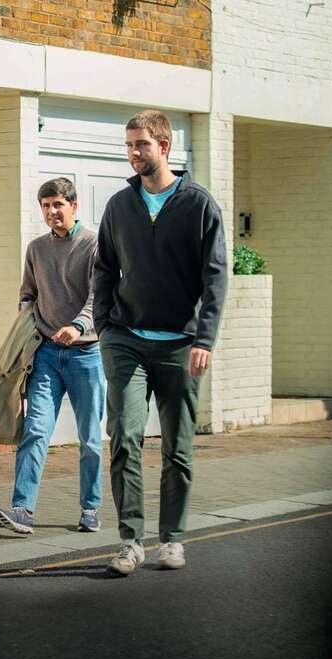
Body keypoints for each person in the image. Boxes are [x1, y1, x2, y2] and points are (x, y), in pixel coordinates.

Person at [93, 109, 228, 575]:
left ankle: (172, 538)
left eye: (141, 145)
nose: (133, 153)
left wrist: (204, 337)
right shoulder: (119, 205)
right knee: (125, 438)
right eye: (129, 145)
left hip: (180, 345)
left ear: (164, 147)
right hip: (126, 338)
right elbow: (105, 268)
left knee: (177, 448)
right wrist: (105, 326)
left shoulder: (198, 204)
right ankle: (131, 540)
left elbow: (215, 278)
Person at [0, 177, 105, 535]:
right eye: (46, 206)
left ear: (74, 206)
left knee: (89, 438)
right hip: (45, 355)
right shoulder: (36, 248)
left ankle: (90, 508)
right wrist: (29, 322)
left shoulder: (95, 245)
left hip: (86, 355)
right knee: (36, 431)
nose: (52, 212)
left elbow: (98, 299)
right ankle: (22, 509)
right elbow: (27, 293)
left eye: (58, 204)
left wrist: (78, 325)